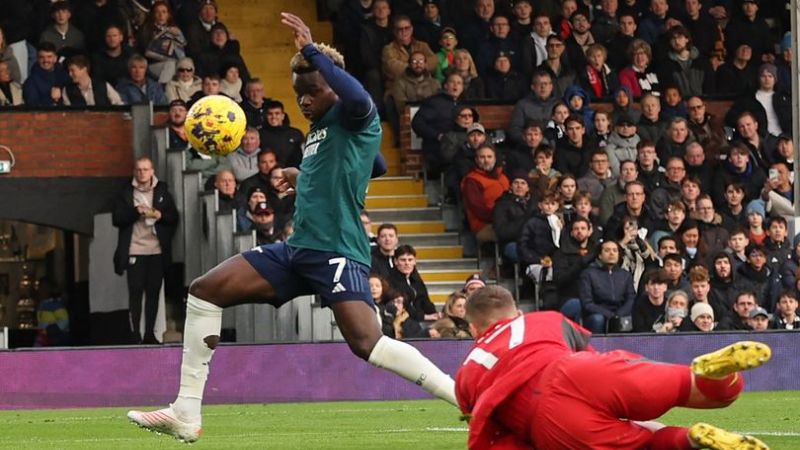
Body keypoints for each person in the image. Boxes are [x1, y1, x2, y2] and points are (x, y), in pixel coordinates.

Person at [127, 16, 458, 441]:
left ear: (333, 87)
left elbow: (359, 103)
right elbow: (372, 165)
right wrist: (300, 173)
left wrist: (312, 50)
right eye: (298, 93)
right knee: (204, 291)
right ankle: (186, 412)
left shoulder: (355, 114)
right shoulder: (321, 130)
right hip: (299, 250)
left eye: (313, 91)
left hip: (337, 250)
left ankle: (464, 396)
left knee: (368, 344)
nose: (303, 100)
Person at [456, 284, 771, 449]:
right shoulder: (542, 319)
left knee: (645, 444)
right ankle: (715, 375)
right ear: (515, 311)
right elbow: (589, 353)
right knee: (686, 385)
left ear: (473, 328)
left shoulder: (467, 371)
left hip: (546, 419)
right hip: (581, 369)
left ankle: (690, 438)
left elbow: (491, 430)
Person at [112, 157, 178, 345]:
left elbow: (173, 217)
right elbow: (116, 219)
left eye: (145, 169)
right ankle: (135, 334)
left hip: (156, 250)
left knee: (154, 292)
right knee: (135, 291)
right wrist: (135, 211)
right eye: (139, 169)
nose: (142, 173)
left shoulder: (162, 190)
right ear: (134, 171)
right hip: (134, 248)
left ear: (152, 171)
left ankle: (150, 333)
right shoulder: (125, 192)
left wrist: (159, 215)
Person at [579, 240, 636, 333]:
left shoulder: (626, 275)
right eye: (607, 250)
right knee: (598, 319)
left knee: (629, 319)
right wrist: (609, 315)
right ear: (600, 255)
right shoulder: (589, 274)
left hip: (620, 313)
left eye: (615, 250)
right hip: (597, 314)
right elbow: (587, 303)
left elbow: (631, 298)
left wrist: (619, 315)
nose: (611, 253)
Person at [259, 100, 305, 169]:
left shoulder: (296, 133)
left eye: (277, 113)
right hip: (269, 175)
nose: (273, 117)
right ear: (266, 116)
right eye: (270, 114)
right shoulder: (259, 134)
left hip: (293, 173)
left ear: (283, 116)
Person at [23, 42, 68, 106]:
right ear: (38, 59)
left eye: (49, 57)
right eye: (42, 57)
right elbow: (32, 107)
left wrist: (61, 91)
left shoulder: (64, 75)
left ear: (55, 58)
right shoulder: (31, 81)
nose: (45, 60)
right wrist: (51, 98)